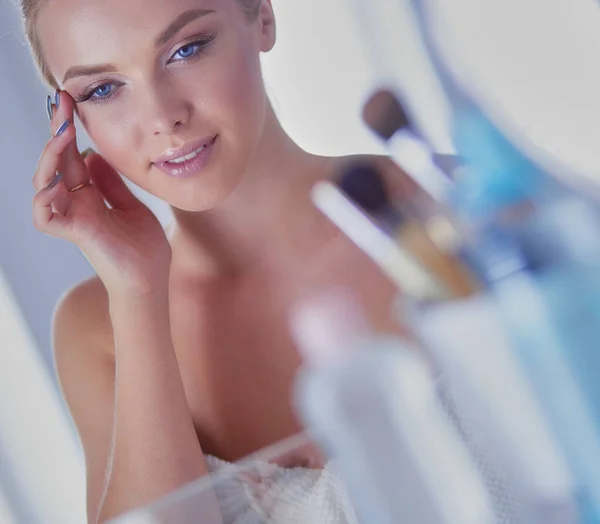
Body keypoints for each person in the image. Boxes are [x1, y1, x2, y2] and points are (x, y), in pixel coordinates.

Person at [24, 0, 412, 521]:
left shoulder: (447, 206)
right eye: (103, 89)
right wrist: (138, 296)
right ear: (70, 118)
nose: (164, 118)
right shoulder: (96, 328)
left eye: (187, 49)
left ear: (264, 17)